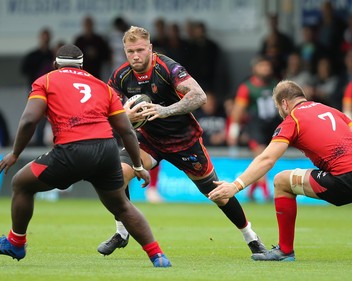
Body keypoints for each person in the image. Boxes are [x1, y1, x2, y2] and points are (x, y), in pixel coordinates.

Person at [0, 44, 171, 268]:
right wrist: (138, 166)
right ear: (82, 66)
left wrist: (15, 153)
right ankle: (158, 256)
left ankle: (15, 243)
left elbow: (29, 120)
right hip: (106, 151)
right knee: (121, 206)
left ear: (55, 64)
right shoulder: (102, 86)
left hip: (71, 150)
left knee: (21, 183)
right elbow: (127, 130)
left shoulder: (46, 80)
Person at [97, 26, 266, 257]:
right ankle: (121, 232)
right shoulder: (120, 75)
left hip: (184, 141)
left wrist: (164, 111)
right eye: (130, 51)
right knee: (117, 175)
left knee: (217, 194)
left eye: (140, 50)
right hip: (148, 141)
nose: (135, 56)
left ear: (150, 48)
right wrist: (126, 116)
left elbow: (199, 96)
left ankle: (251, 237)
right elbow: (107, 110)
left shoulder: (169, 68)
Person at [209, 80, 352, 261]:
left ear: (284, 103)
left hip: (342, 179)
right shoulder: (332, 111)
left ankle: (285, 251)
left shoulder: (293, 119)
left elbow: (267, 159)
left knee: (282, 181)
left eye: (278, 107)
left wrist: (235, 186)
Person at [227, 56, 280, 202]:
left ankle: (251, 192)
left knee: (263, 159)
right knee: (262, 157)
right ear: (254, 69)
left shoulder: (276, 84)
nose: (266, 69)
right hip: (255, 127)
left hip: (274, 125)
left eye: (267, 65)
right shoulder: (246, 87)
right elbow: (238, 110)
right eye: (262, 66)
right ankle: (265, 193)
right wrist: (234, 130)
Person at [20, 27, 55, 147]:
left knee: (49, 117)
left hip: (51, 91)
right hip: (37, 91)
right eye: (44, 37)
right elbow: (23, 70)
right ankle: (37, 142)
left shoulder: (52, 55)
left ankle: (48, 141)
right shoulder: (33, 55)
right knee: (34, 116)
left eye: (47, 38)